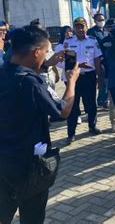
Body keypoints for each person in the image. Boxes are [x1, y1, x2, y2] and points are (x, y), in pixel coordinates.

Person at [0, 25, 80, 223]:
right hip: (29, 165)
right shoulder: (31, 83)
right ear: (36, 52)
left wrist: (45, 66)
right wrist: (71, 82)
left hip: (4, 160)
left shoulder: (4, 72)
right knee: (32, 216)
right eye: (45, 53)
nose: (46, 57)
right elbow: (62, 111)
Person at [64, 17, 103, 145]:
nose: (80, 29)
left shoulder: (92, 41)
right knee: (73, 106)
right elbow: (69, 62)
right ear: (74, 28)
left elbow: (97, 59)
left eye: (82, 26)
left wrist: (99, 76)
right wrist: (79, 66)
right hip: (75, 78)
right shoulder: (69, 41)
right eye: (77, 27)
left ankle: (92, 126)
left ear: (86, 27)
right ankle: (71, 133)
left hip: (89, 77)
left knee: (91, 104)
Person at [98, 19, 115, 132]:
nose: (112, 29)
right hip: (109, 73)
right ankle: (114, 122)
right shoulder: (104, 41)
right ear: (107, 28)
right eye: (110, 27)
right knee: (112, 99)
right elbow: (101, 59)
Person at [87, 13, 109, 109]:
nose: (101, 21)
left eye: (103, 19)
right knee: (101, 80)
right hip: (97, 60)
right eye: (99, 20)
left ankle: (104, 99)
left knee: (106, 80)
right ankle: (101, 100)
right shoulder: (91, 32)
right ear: (95, 21)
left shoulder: (105, 31)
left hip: (107, 59)